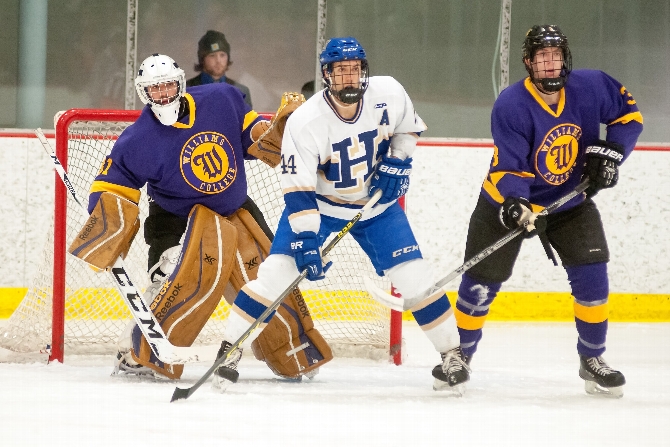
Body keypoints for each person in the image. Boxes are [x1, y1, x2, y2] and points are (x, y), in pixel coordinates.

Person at [212, 36, 469, 395]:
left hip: (377, 208)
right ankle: (229, 351)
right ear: (327, 75)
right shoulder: (306, 122)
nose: (349, 77)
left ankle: (452, 355)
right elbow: (298, 189)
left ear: (364, 72)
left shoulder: (389, 92)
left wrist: (397, 161)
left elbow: (406, 129)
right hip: (320, 207)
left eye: (355, 70)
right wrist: (304, 238)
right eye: (340, 71)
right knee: (273, 277)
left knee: (416, 280)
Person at [68, 53, 333, 381]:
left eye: (167, 86)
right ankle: (135, 353)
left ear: (180, 84)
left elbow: (252, 137)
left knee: (265, 275)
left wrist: (281, 134)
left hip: (234, 206)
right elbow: (113, 184)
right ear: (143, 93)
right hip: (175, 216)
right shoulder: (138, 139)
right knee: (168, 279)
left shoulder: (221, 99)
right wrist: (105, 215)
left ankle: (290, 349)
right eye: (155, 89)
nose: (163, 95)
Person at [453, 25, 643, 398]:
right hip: (505, 203)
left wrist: (612, 154)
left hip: (569, 201)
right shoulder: (511, 104)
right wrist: (517, 202)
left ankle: (592, 359)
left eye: (556, 56)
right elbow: (509, 165)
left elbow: (628, 116)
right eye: (542, 58)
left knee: (593, 278)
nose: (550, 65)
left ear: (565, 59)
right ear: (528, 62)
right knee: (480, 284)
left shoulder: (592, 86)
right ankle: (460, 355)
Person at [186, 30, 252, 108]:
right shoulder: (188, 90)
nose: (218, 61)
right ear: (202, 59)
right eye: (212, 55)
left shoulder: (241, 92)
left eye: (222, 55)